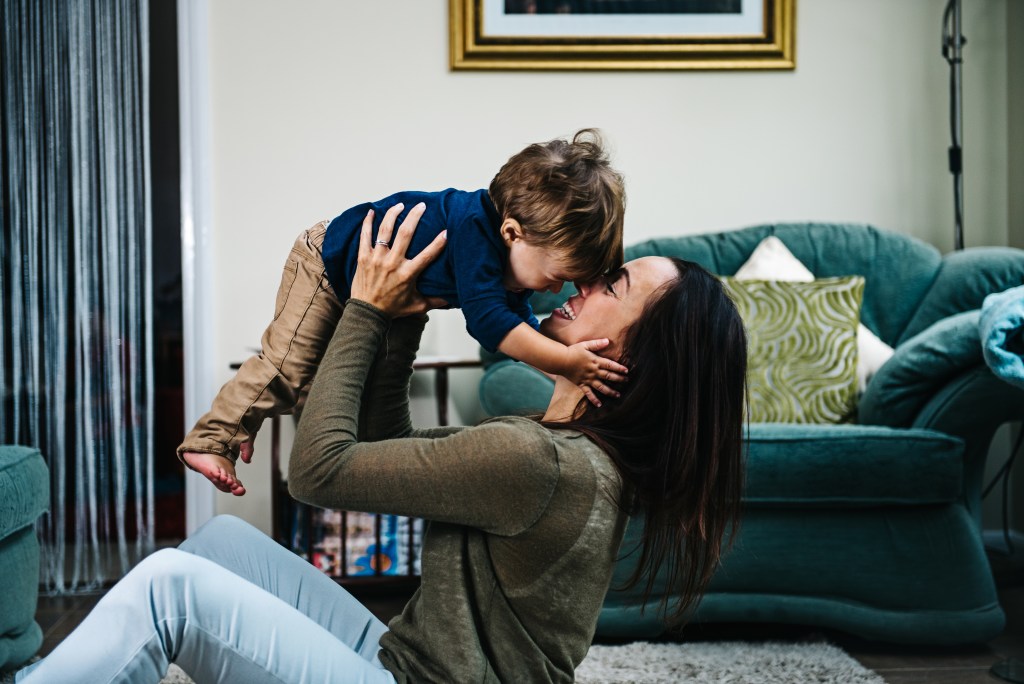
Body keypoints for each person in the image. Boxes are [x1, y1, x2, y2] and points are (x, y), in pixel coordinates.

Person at [17, 205, 747, 683]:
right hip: (401, 660)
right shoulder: (552, 447)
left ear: (631, 353)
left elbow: (320, 471)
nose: (584, 281)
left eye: (611, 283)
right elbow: (387, 450)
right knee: (212, 554)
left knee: (167, 589)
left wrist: (364, 307)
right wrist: (405, 314)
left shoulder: (541, 463)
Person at [178, 129, 628, 496]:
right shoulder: (476, 231)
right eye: (557, 274)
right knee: (286, 366)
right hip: (330, 266)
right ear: (513, 232)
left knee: (335, 395)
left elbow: (519, 325)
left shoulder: (507, 254)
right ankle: (210, 440)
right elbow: (491, 325)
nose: (556, 288)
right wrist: (566, 362)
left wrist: (562, 369)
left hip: (398, 303)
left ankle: (247, 415)